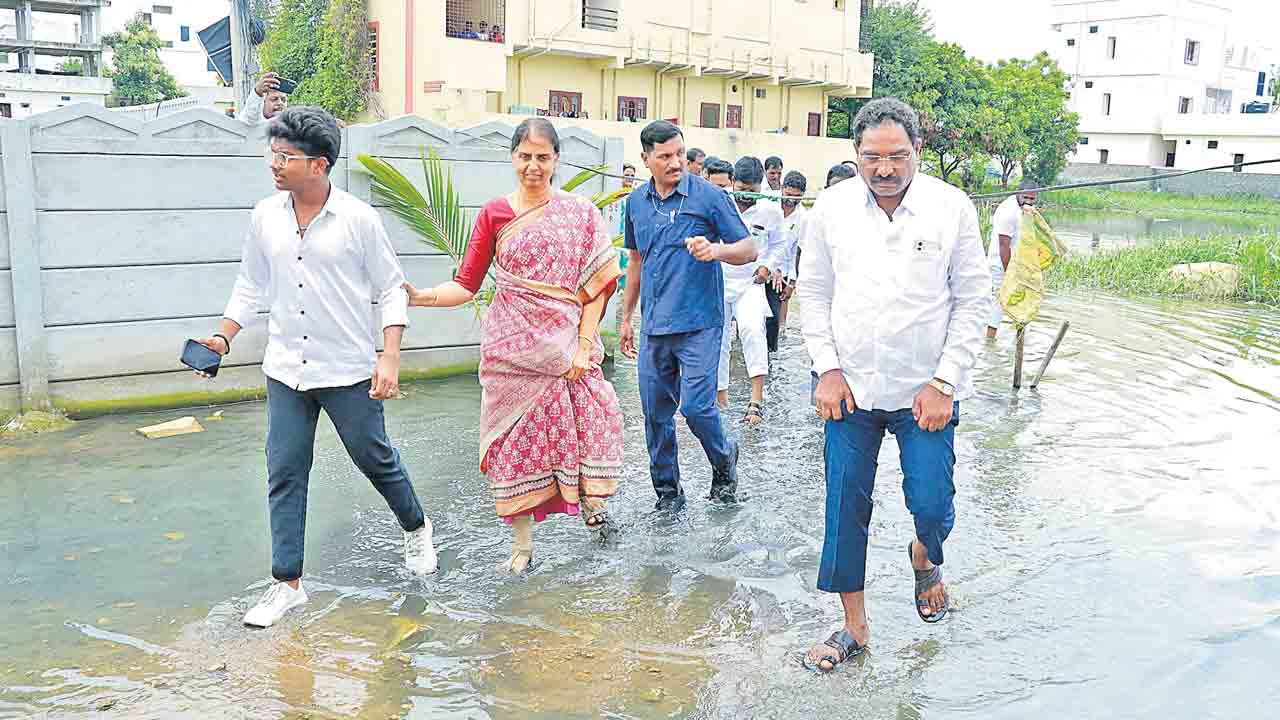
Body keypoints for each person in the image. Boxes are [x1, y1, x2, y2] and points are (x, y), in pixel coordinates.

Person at [194, 107, 438, 628]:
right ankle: (287, 585)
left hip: (347, 369)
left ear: (320, 165)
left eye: (286, 157)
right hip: (286, 369)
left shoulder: (358, 220)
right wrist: (222, 337)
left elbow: (392, 289)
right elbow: (251, 285)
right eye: (273, 154)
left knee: (374, 459)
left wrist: (388, 357)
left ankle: (416, 527)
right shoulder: (265, 215)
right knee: (284, 472)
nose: (275, 165)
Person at [798, 98, 989, 671]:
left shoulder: (950, 208)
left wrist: (945, 381)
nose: (885, 168)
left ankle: (924, 554)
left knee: (933, 504)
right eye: (873, 157)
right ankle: (854, 627)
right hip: (850, 390)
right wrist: (826, 369)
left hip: (923, 392)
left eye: (897, 156)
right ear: (855, 153)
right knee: (843, 507)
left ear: (918, 153)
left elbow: (973, 299)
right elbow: (813, 292)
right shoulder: (829, 209)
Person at [402, 119, 624, 574]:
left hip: (565, 349)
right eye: (525, 156)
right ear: (512, 158)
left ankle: (591, 505)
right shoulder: (495, 214)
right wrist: (422, 297)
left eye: (543, 157)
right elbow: (466, 285)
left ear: (557, 160)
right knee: (508, 444)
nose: (533, 166)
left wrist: (584, 345)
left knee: (579, 425)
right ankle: (523, 547)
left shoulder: (580, 213)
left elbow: (597, 288)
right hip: (509, 353)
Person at [618, 121, 756, 511]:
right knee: (654, 414)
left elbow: (748, 249)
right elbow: (636, 261)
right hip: (655, 326)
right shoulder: (636, 204)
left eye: (679, 153)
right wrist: (626, 317)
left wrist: (715, 251)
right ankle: (668, 495)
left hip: (700, 323)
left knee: (697, 408)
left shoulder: (709, 197)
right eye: (665, 156)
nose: (676, 162)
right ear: (646, 159)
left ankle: (723, 458)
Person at [715, 157, 783, 425]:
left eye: (752, 192)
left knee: (753, 331)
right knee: (718, 339)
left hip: (750, 282)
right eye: (742, 190)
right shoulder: (721, 204)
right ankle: (721, 398)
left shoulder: (770, 211)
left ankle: (756, 401)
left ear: (760, 186)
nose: (746, 198)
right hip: (719, 280)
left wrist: (767, 265)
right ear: (733, 183)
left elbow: (778, 245)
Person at [987, 180, 1039, 338]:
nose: (1029, 202)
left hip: (1018, 265)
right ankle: (989, 341)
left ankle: (1020, 340)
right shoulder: (1008, 211)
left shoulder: (1025, 209)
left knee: (1023, 302)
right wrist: (1011, 274)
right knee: (997, 305)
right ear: (1018, 193)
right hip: (1001, 266)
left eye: (1032, 199)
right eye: (1026, 198)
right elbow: (1004, 246)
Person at [770, 170, 808, 343]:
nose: (791, 200)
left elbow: (797, 253)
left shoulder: (804, 218)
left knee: (778, 325)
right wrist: (771, 267)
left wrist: (792, 283)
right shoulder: (768, 204)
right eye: (788, 194)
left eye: (797, 197)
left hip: (784, 275)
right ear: (782, 189)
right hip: (761, 267)